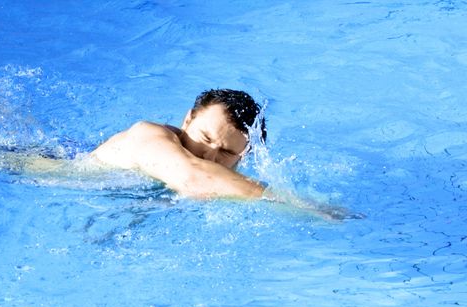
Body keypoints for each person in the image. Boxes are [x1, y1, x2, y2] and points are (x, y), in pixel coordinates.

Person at [89, 89, 360, 221]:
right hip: (51, 169)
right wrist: (304, 206)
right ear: (187, 120)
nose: (209, 156)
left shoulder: (224, 178)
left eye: (227, 152)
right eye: (205, 138)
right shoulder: (147, 136)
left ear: (243, 157)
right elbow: (194, 177)